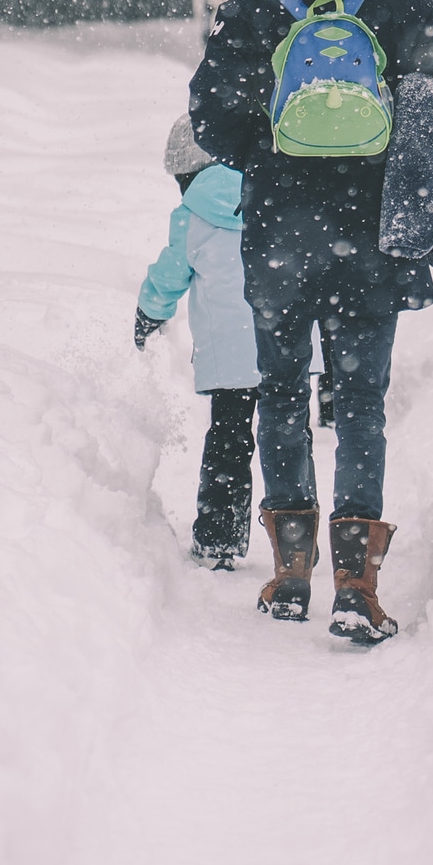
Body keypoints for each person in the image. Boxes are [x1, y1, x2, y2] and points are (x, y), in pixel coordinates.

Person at [189, 0, 433, 645]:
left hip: (277, 240)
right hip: (371, 238)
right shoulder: (392, 7)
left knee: (283, 392)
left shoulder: (251, 13)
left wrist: (272, 142)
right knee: (361, 404)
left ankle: (292, 574)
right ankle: (357, 586)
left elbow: (211, 129)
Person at [134, 116, 261, 566]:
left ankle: (218, 539)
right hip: (284, 341)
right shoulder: (272, 190)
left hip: (228, 356)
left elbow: (170, 274)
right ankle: (297, 544)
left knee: (229, 440)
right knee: (291, 439)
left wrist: (148, 313)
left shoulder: (192, 215)